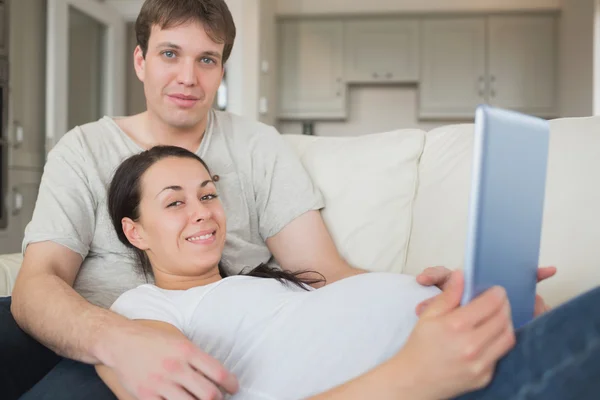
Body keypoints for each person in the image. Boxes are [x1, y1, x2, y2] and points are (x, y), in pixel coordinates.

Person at [0, 0, 554, 399]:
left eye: (207, 60)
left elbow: (323, 271)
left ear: (221, 70)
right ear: (141, 60)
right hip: (99, 334)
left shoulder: (256, 146)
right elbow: (38, 282)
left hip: (208, 348)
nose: (187, 77)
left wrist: (405, 292)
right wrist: (117, 341)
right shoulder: (84, 149)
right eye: (170, 53)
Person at [96, 145, 600, 400]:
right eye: (174, 203)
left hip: (474, 358)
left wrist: (473, 303)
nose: (203, 211)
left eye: (208, 194)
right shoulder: (142, 311)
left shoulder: (270, 282)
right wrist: (415, 373)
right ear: (135, 232)